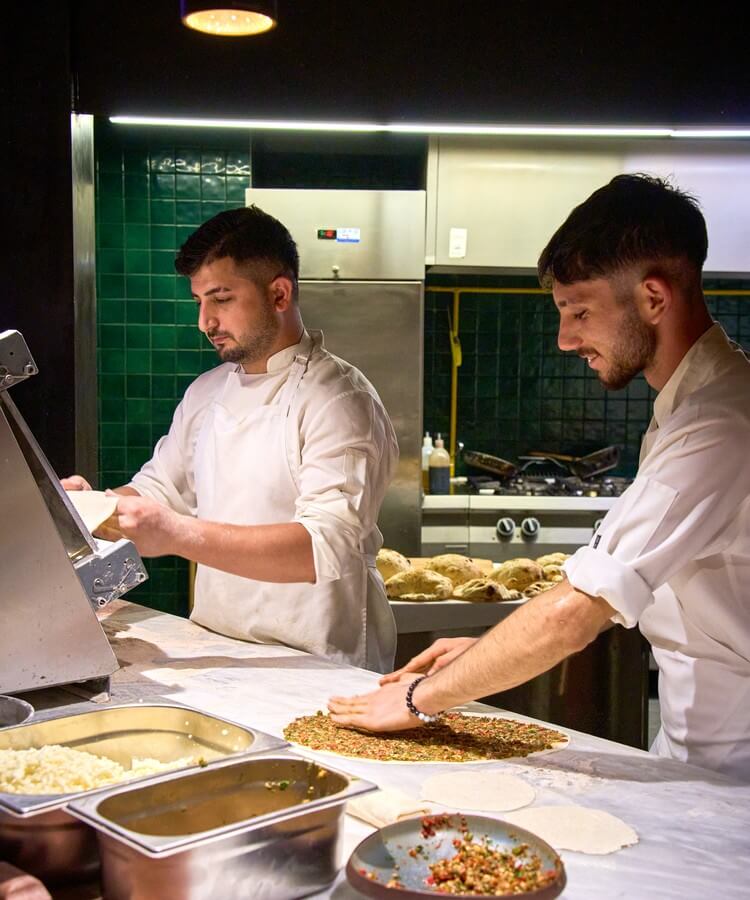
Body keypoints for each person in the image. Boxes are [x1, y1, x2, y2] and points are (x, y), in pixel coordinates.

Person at [328, 174, 750, 781]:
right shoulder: (689, 404)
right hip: (696, 754)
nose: (564, 339)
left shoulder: (720, 424)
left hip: (732, 776)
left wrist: (421, 698)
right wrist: (479, 655)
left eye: (579, 311)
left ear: (654, 298)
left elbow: (576, 611)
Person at [65, 205, 399, 672]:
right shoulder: (207, 392)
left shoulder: (339, 399)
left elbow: (327, 546)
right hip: (218, 648)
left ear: (279, 293)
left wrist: (177, 534)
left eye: (221, 299)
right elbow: (160, 490)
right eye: (199, 301)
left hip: (320, 664)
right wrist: (86, 509)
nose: (205, 321)